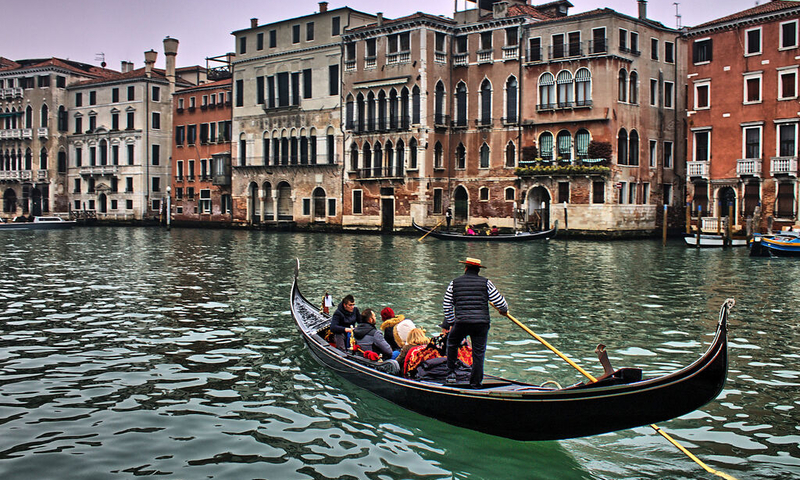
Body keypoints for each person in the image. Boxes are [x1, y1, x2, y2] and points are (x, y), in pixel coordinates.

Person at [441, 257, 508, 388]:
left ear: (465, 268)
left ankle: (451, 375)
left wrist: (451, 321)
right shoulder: (486, 283)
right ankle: (476, 382)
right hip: (481, 323)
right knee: (478, 351)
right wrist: (504, 310)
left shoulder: (454, 283)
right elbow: (500, 302)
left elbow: (447, 304)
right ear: (478, 270)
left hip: (462, 322)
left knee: (452, 342)